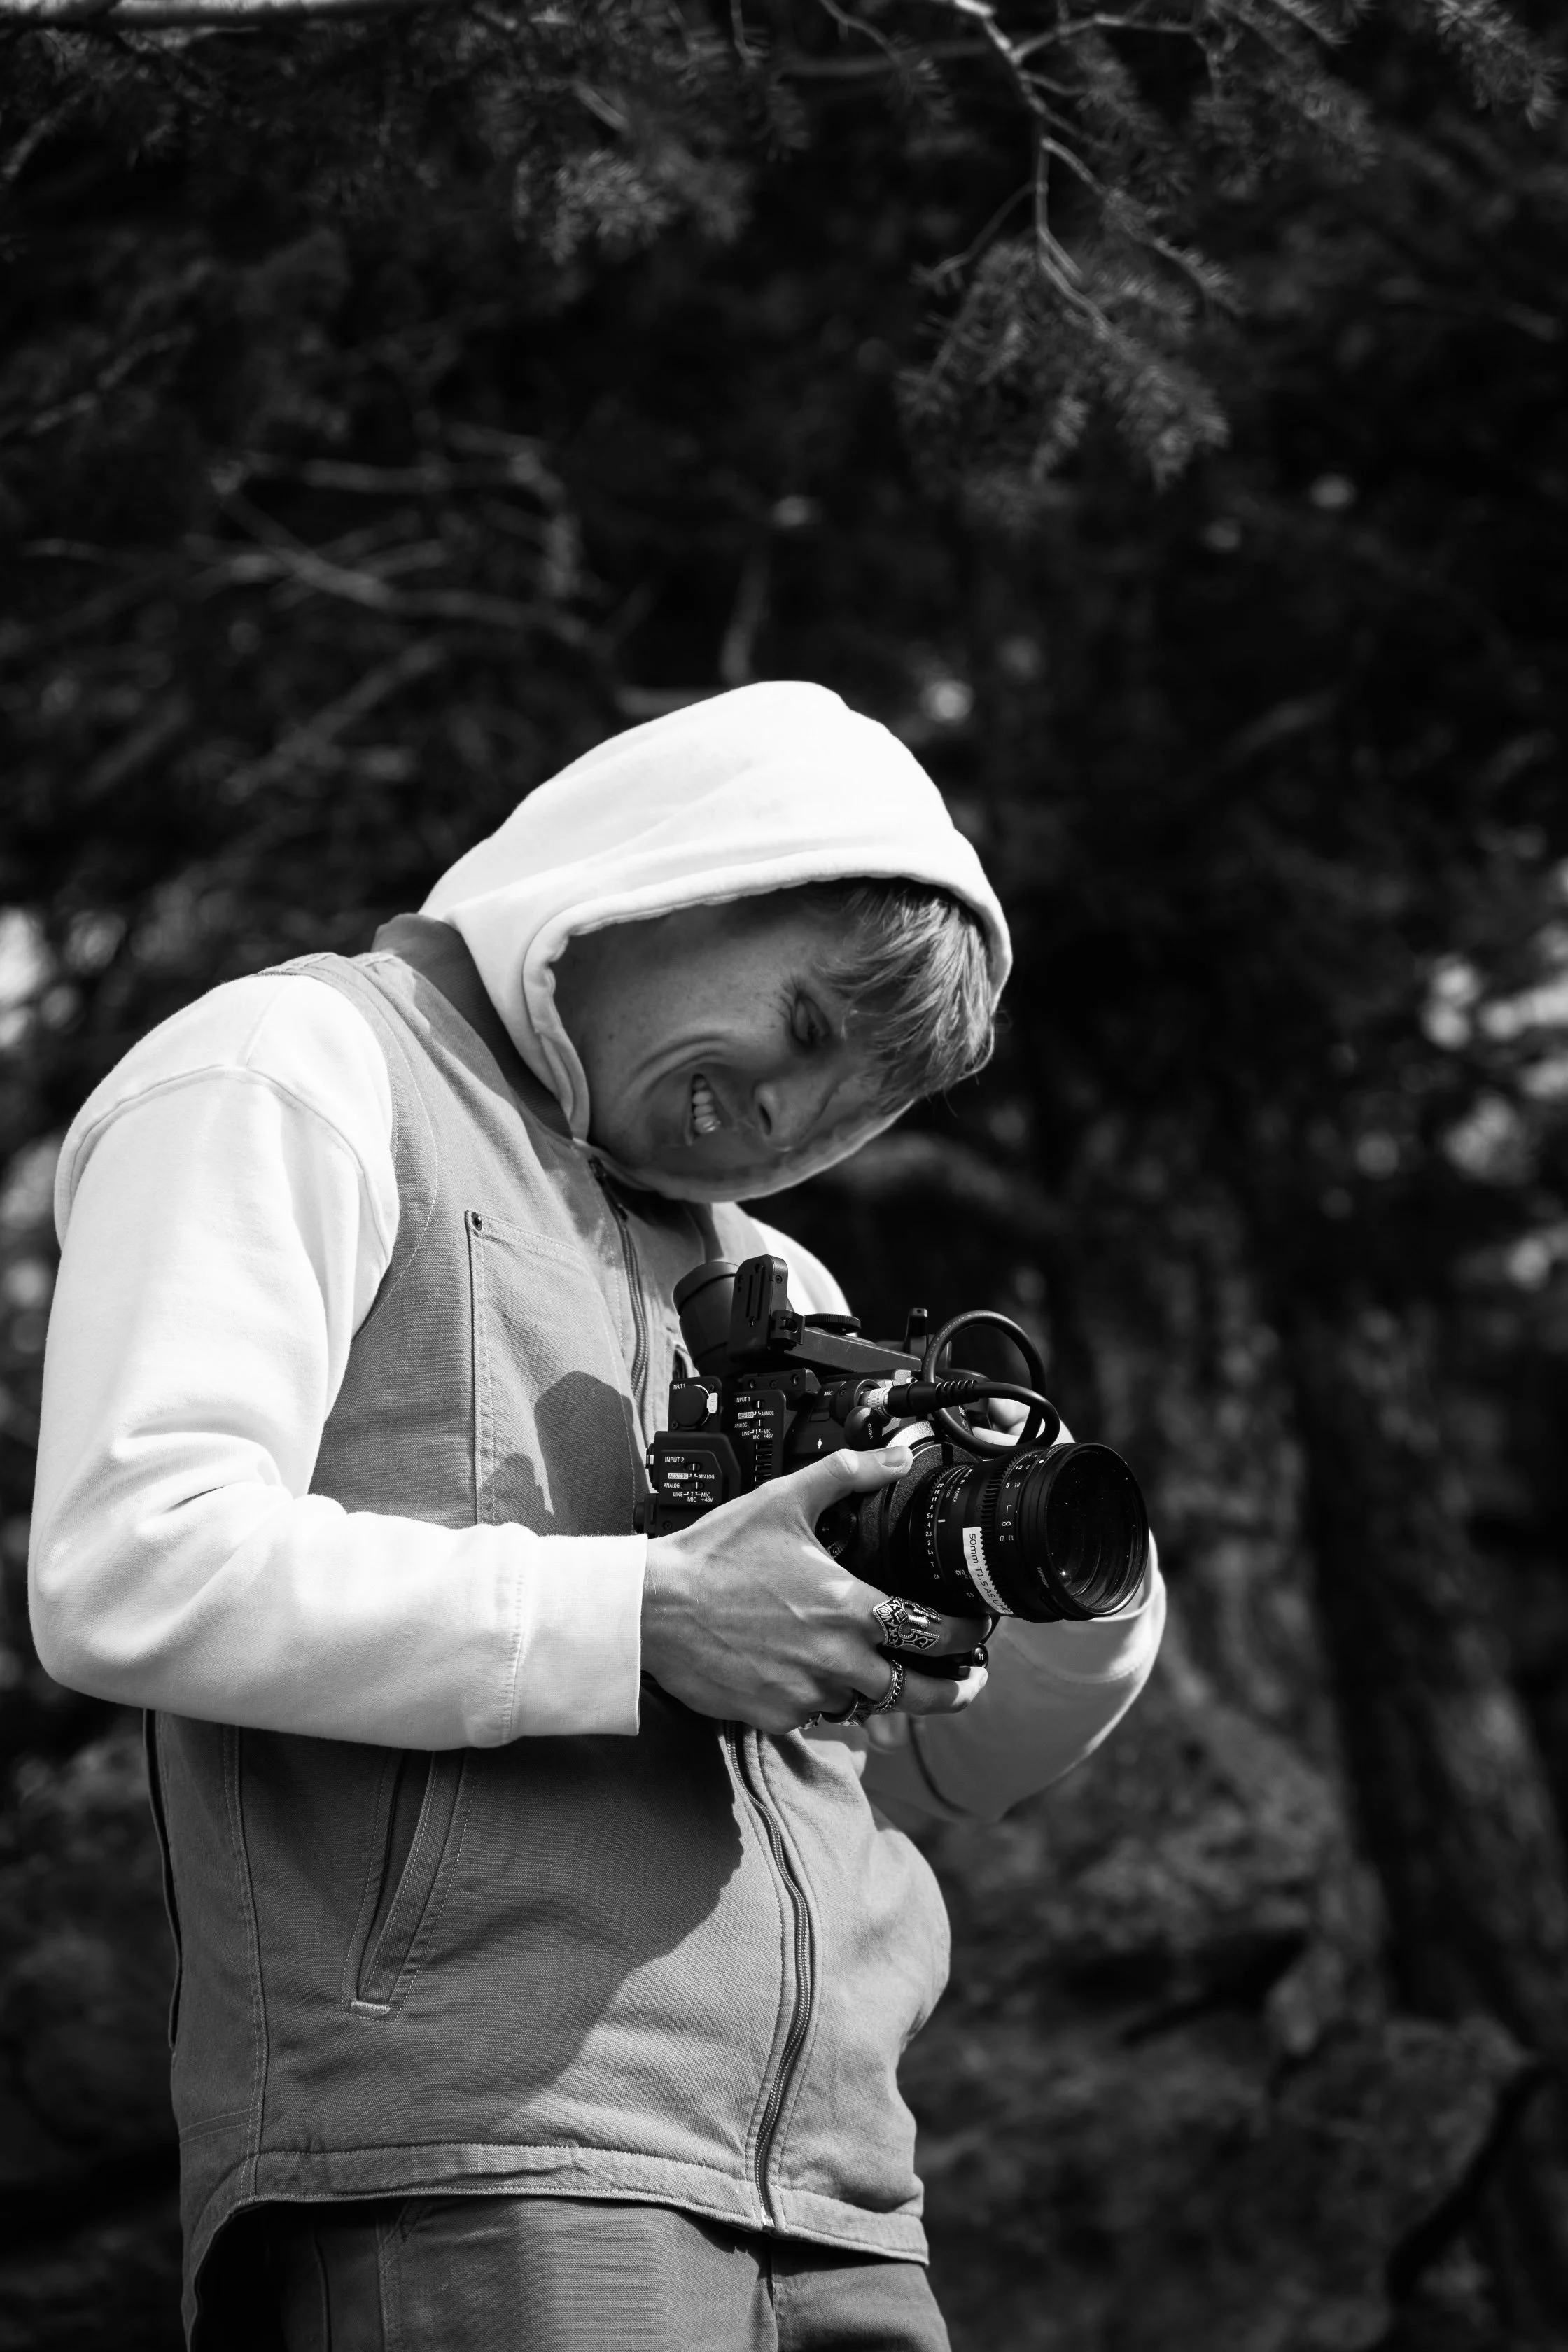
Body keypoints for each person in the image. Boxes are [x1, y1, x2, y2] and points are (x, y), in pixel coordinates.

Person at [29, 682, 1165, 2351]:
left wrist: (1073, 1579)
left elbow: (945, 1766)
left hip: (847, 2207)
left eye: (863, 1104)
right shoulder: (298, 1065)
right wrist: (645, 1616)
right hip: (469, 2165)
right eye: (803, 1023)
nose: (794, 1119)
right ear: (673, 875)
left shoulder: (777, 1282)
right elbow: (131, 1562)